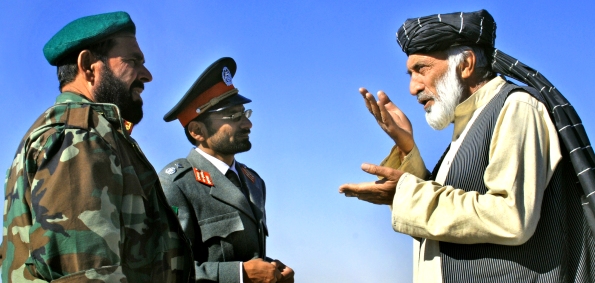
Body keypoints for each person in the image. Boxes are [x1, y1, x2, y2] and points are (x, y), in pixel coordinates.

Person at [339, 9, 595, 283]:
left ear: (466, 64)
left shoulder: (515, 108)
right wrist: (406, 148)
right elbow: (443, 220)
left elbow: (510, 216)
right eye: (409, 74)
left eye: (421, 69)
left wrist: (404, 195)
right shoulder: (469, 123)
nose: (413, 87)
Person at [1, 12, 193, 282]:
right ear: (89, 65)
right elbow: (83, 275)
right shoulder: (78, 138)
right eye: (132, 61)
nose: (146, 75)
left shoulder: (93, 132)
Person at [158, 57, 294, 283]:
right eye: (233, 116)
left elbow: (247, 257)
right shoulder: (176, 184)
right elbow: (163, 270)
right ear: (197, 131)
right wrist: (240, 275)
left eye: (245, 113)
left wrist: (272, 271)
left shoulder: (253, 181)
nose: (247, 124)